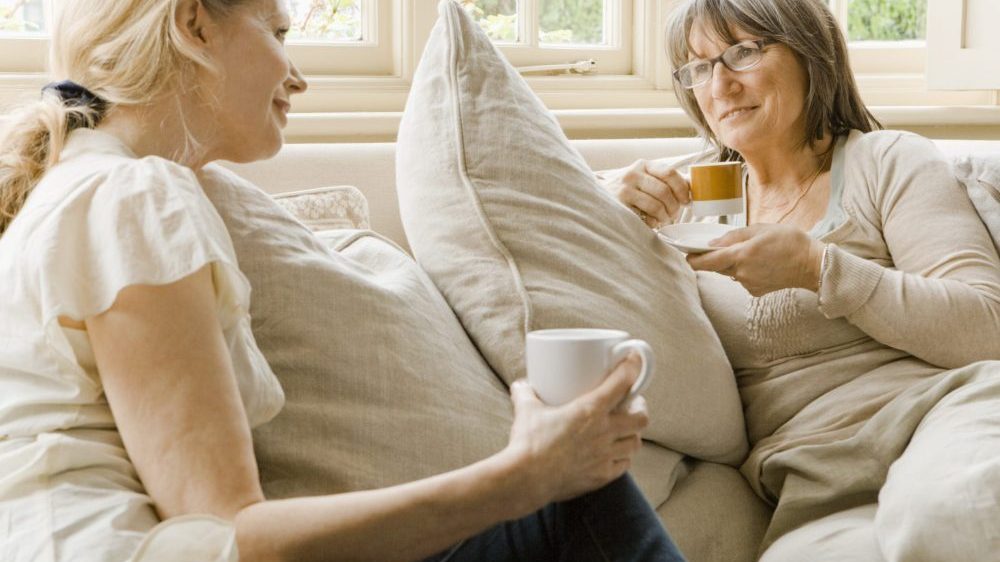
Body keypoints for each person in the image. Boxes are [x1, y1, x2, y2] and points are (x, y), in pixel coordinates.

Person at [0, 1, 687, 561]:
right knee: (577, 500)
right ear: (193, 25)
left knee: (579, 498)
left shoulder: (89, 188)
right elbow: (226, 535)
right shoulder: (133, 194)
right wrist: (524, 476)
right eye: (277, 33)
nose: (297, 77)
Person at [600, 0, 1000, 560]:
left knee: (945, 524)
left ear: (811, 53)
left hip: (941, 416)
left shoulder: (886, 160)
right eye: (698, 67)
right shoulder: (683, 199)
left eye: (741, 52)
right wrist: (607, 213)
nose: (719, 85)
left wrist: (819, 268)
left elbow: (987, 327)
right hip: (812, 481)